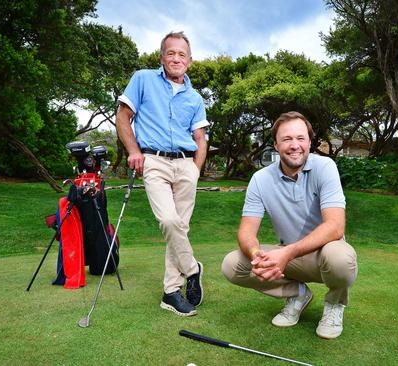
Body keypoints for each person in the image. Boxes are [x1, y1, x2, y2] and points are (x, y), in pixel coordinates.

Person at [221, 111, 358, 339]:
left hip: (323, 255)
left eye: (300, 138)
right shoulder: (260, 179)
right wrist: (257, 254)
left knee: (340, 258)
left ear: (309, 142)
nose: (295, 145)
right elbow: (246, 231)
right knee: (232, 264)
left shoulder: (325, 167)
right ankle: (298, 294)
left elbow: (335, 226)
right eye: (287, 139)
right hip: (288, 258)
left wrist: (288, 253)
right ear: (275, 145)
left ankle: (334, 305)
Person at [116, 31, 207, 317]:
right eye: (171, 53)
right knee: (169, 221)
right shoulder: (142, 79)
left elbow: (200, 139)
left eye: (182, 54)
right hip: (152, 161)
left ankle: (170, 292)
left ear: (189, 61)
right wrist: (133, 150)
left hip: (185, 164)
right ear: (162, 57)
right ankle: (192, 269)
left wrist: (195, 169)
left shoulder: (195, 98)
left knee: (180, 227)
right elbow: (122, 117)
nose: (176, 58)